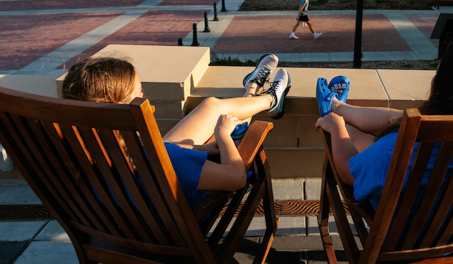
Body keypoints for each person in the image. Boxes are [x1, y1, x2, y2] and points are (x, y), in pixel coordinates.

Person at [61, 53, 290, 208]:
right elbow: (237, 178)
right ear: (122, 110)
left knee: (212, 106)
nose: (144, 98)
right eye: (139, 94)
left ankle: (255, 88)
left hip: (127, 225)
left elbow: (159, 150)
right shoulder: (170, 162)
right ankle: (267, 98)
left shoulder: (81, 152)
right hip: (179, 224)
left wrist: (199, 148)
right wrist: (221, 137)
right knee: (230, 124)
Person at [314, 39, 453, 209]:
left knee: (363, 139)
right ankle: (339, 106)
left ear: (445, 91)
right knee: (403, 120)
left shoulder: (398, 149)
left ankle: (332, 114)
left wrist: (336, 127)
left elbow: (348, 172)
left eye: (438, 75)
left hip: (406, 238)